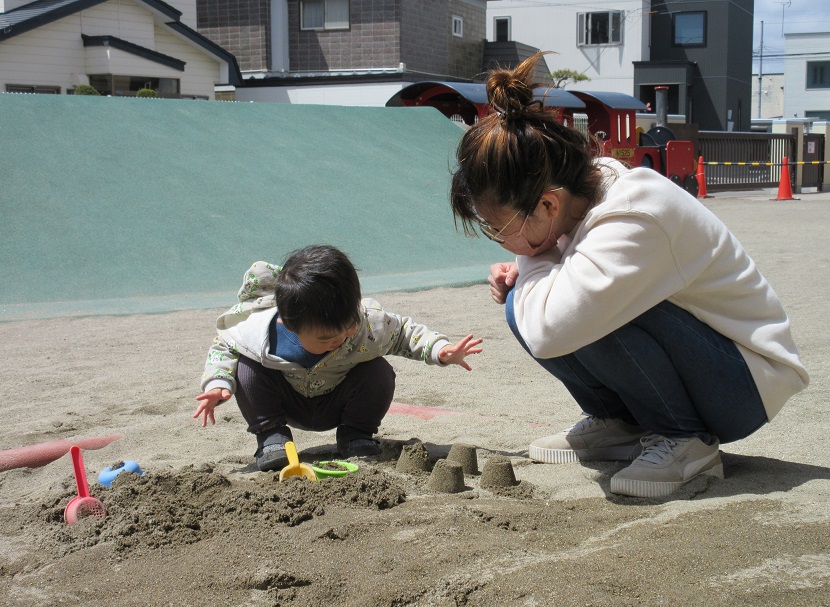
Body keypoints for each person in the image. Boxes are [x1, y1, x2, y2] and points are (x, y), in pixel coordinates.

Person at [449, 53, 809, 498]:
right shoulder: (582, 202)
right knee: (524, 303)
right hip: (712, 365)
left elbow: (548, 330)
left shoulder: (634, 212)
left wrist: (529, 261)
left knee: (567, 311)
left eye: (501, 228)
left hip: (746, 382)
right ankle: (620, 426)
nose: (499, 241)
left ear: (548, 205)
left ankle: (685, 439)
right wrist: (530, 258)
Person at [194, 245, 482, 471]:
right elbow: (225, 347)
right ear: (288, 324)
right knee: (247, 369)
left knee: (378, 371)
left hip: (338, 401)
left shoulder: (365, 325)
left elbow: (404, 332)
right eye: (327, 338)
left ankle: (356, 434)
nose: (342, 338)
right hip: (286, 402)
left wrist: (440, 350)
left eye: (348, 327)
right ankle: (272, 438)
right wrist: (217, 385)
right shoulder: (258, 331)